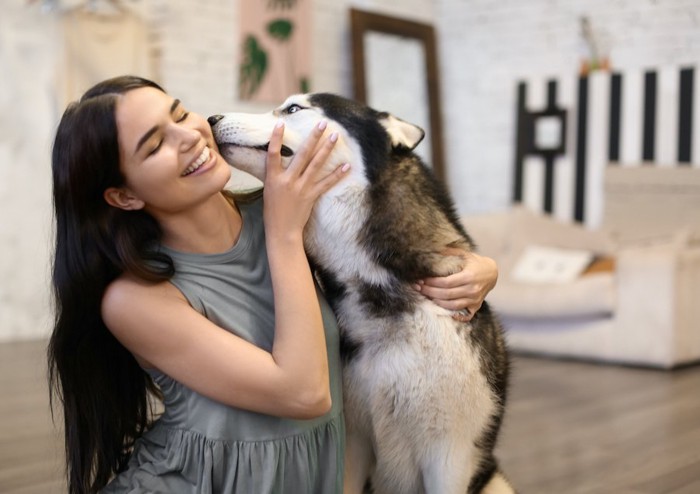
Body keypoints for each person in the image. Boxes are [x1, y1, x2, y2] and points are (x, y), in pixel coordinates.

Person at [47, 75, 498, 494]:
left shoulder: (292, 210)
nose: (190, 137)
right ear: (125, 196)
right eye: (155, 145)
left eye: (180, 114)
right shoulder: (133, 300)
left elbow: (397, 244)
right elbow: (303, 394)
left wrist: (480, 269)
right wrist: (282, 235)